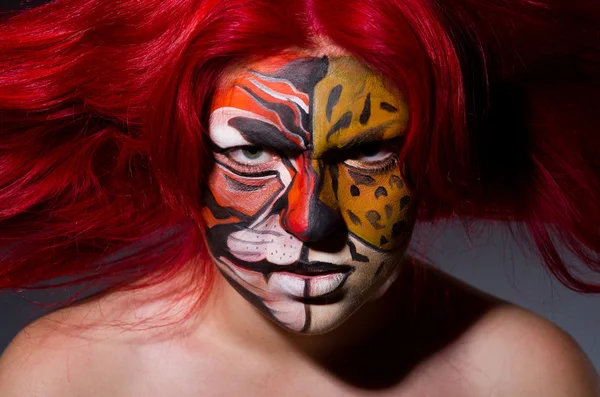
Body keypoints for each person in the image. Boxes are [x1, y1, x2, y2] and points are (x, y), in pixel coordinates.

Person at [0, 0, 599, 395]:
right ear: (183, 156)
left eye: (368, 154)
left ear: (432, 156)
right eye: (252, 154)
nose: (310, 220)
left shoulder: (527, 376)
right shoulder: (67, 378)